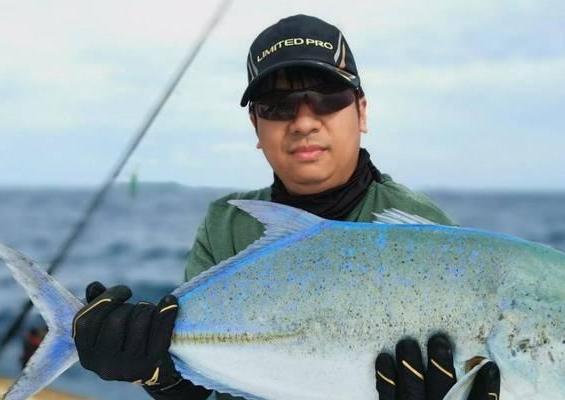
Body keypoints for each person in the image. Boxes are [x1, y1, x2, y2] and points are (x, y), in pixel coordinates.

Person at [71, 14, 500, 400]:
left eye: (329, 97)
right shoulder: (227, 223)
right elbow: (201, 382)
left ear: (362, 112)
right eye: (277, 107)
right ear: (256, 127)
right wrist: (157, 374)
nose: (304, 122)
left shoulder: (423, 229)